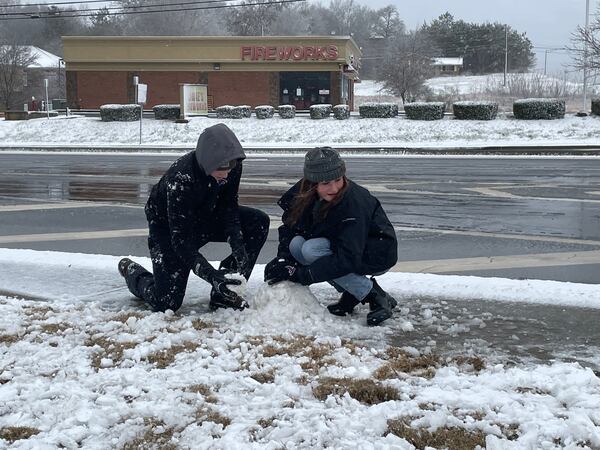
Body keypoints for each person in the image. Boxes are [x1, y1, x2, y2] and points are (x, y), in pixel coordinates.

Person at [118, 123, 269, 313]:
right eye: (222, 170)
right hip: (169, 227)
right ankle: (132, 272)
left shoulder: (232, 166)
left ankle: (226, 292)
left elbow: (228, 206)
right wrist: (210, 274)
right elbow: (181, 241)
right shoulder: (181, 178)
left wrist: (237, 242)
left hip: (207, 214)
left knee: (259, 222)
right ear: (208, 163)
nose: (227, 174)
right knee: (166, 302)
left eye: (231, 168)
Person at [264, 147, 398, 326]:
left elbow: (348, 257)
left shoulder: (353, 203)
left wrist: (301, 274)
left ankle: (375, 295)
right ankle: (353, 292)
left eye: (338, 179)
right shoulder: (304, 195)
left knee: (311, 250)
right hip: (339, 246)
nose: (334, 188)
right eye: (326, 183)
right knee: (296, 245)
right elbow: (291, 228)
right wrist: (283, 260)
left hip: (375, 252)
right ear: (312, 183)